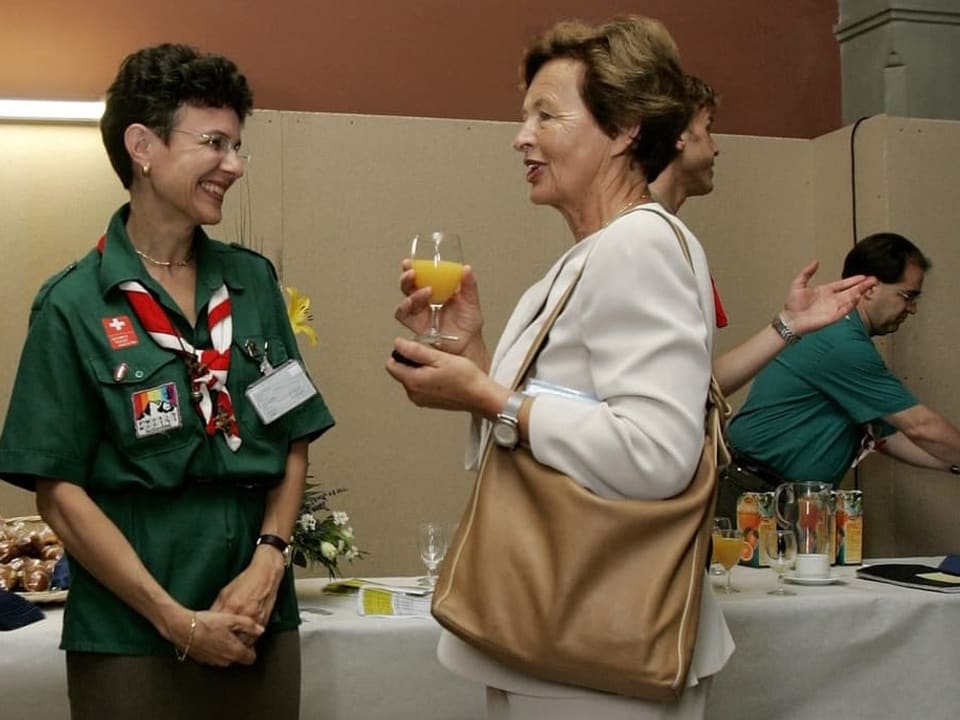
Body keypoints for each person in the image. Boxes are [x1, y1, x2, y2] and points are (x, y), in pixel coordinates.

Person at [386, 15, 736, 719]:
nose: (521, 137)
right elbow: (567, 408)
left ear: (626, 127)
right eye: (524, 117)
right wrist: (476, 356)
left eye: (547, 115)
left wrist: (490, 398)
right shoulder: (596, 252)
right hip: (564, 643)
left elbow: (658, 452)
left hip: (596, 645)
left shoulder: (636, 246)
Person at [0, 44, 333, 719]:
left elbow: (293, 432)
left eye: (239, 145)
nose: (234, 165)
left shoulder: (253, 282)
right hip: (132, 633)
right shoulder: (72, 304)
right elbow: (58, 493)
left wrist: (270, 563)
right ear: (142, 146)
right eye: (214, 142)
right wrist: (176, 620)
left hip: (256, 616)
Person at [651, 74, 876, 398]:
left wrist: (790, 323)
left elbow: (693, 390)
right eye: (709, 127)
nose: (716, 149)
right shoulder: (644, 237)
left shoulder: (669, 233)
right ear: (679, 135)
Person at [720, 232, 960, 519]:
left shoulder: (845, 337)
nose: (912, 308)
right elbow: (919, 426)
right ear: (869, 287)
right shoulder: (842, 343)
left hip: (780, 498)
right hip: (756, 496)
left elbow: (887, 436)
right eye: (906, 296)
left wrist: (952, 463)